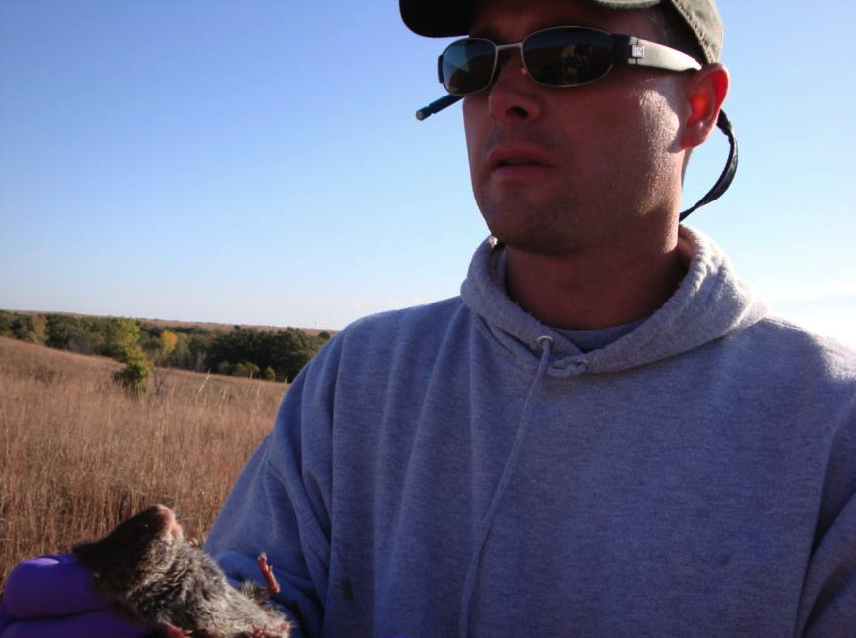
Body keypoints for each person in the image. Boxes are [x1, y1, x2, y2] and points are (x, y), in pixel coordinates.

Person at [3, 0, 855, 636]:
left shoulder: (831, 429)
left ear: (700, 105)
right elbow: (261, 604)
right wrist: (204, 621)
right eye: (473, 64)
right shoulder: (360, 376)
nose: (508, 95)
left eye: (568, 53)